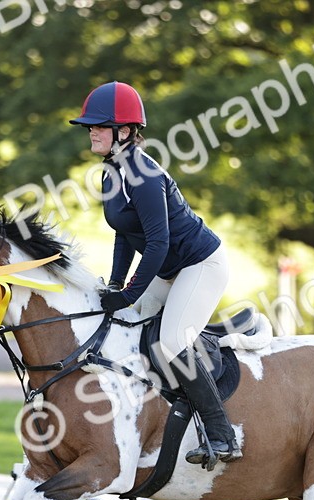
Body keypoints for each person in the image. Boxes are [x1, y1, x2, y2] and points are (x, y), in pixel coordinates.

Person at [70, 81, 242, 468]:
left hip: (200, 266)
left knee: (170, 343)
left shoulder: (144, 177)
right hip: (166, 271)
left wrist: (130, 293)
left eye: (99, 125)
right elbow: (125, 234)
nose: (91, 131)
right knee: (120, 323)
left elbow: (158, 243)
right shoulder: (111, 173)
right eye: (91, 126)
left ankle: (221, 434)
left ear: (125, 131)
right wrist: (115, 285)